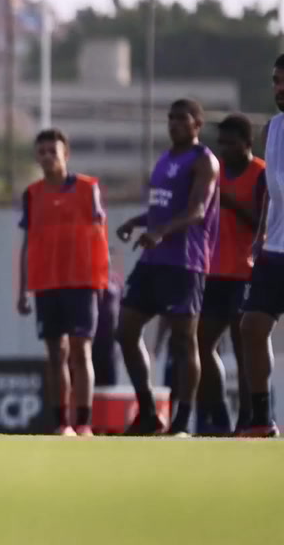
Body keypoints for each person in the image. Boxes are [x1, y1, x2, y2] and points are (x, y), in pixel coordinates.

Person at [116, 99, 219, 436]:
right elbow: (161, 210)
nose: (173, 124)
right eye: (170, 118)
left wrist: (159, 232)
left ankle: (182, 420)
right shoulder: (164, 159)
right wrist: (138, 221)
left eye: (181, 119)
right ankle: (147, 411)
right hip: (152, 260)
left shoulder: (204, 160)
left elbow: (197, 211)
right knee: (126, 330)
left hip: (184, 263)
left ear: (197, 124)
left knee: (183, 341)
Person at [16, 129, 110, 437]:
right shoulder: (32, 194)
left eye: (51, 151)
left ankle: (83, 423)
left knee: (81, 351)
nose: (46, 157)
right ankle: (62, 423)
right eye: (41, 151)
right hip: (46, 283)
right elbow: (28, 242)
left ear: (65, 154)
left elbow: (100, 236)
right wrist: (23, 289)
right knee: (55, 354)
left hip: (82, 282)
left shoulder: (87, 188)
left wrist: (103, 279)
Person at [197, 114, 264, 435]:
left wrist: (232, 204)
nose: (224, 149)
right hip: (214, 272)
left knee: (243, 347)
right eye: (220, 143)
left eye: (231, 143)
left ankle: (250, 418)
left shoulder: (261, 174)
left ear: (247, 143)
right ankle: (220, 414)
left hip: (246, 273)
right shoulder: (215, 173)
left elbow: (264, 222)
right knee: (202, 343)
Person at [240, 55, 284, 437]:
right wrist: (260, 236)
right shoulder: (272, 129)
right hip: (274, 253)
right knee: (252, 327)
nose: (279, 89)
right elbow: (271, 189)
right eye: (276, 81)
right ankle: (262, 420)